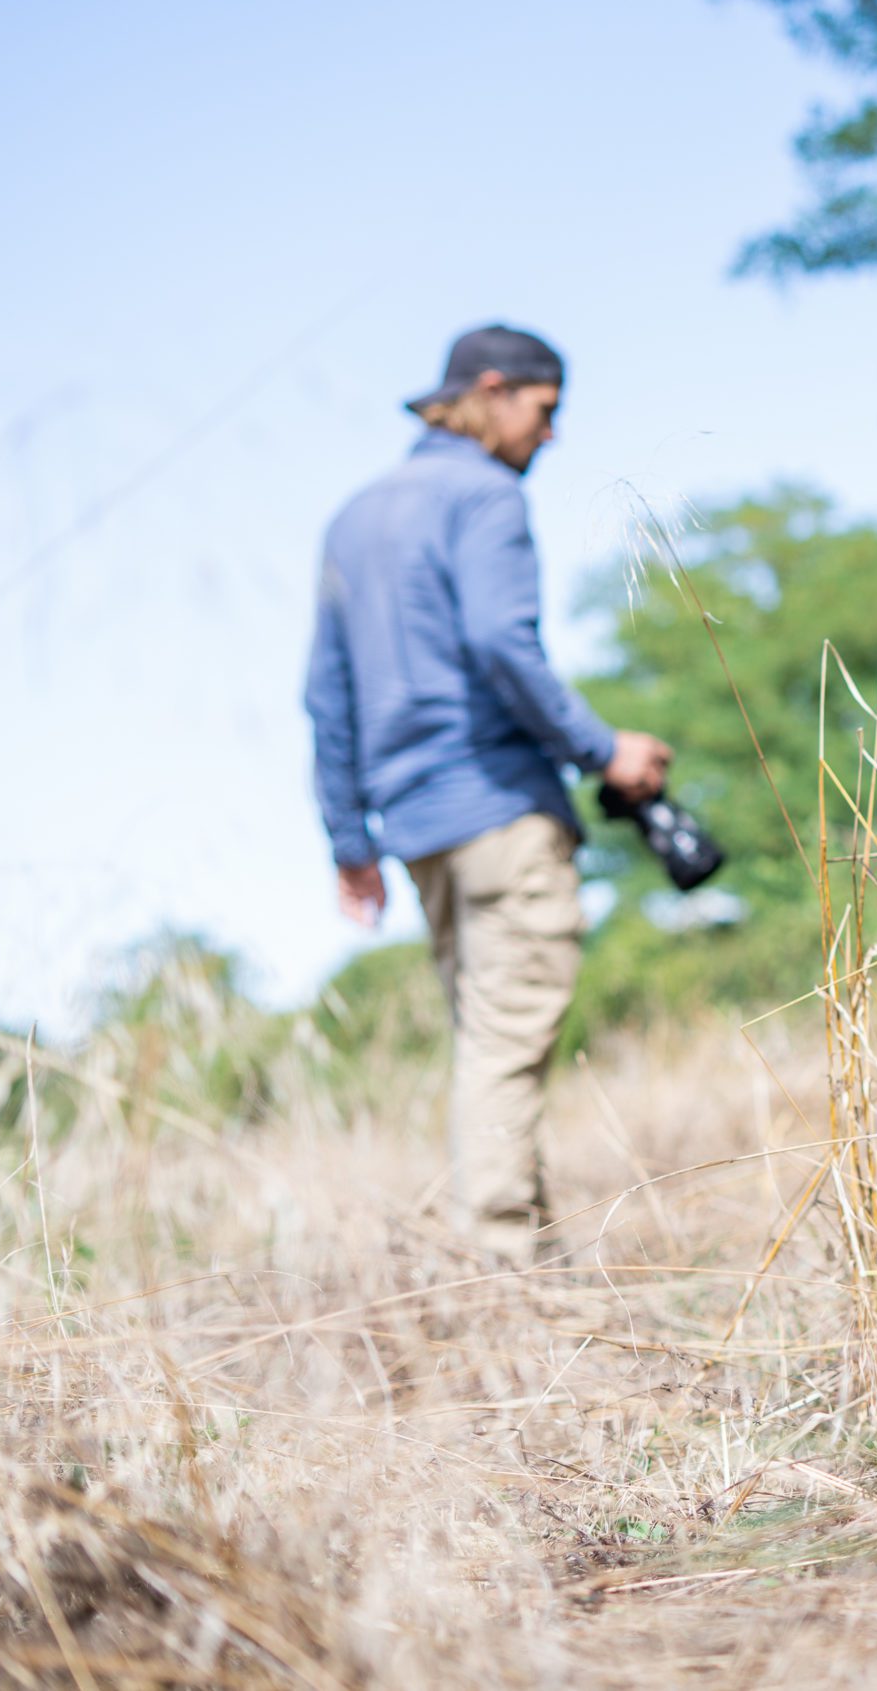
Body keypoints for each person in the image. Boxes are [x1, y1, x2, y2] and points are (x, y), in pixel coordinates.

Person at [303, 324, 671, 1263]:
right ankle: (500, 1268)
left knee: (487, 1041)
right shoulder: (485, 496)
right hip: (501, 808)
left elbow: (327, 695)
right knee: (504, 1047)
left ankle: (527, 1257)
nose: (550, 435)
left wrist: (351, 841)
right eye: (545, 411)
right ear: (495, 390)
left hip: (417, 830)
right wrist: (603, 751)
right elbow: (501, 641)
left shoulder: (353, 517)